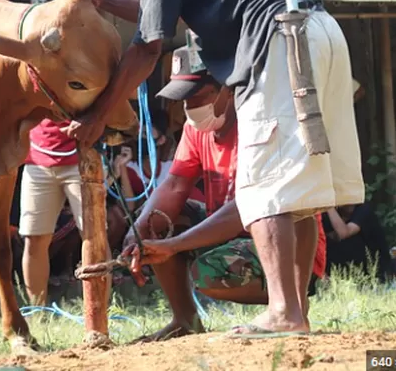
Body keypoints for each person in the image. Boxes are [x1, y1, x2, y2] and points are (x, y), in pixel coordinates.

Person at [64, 0, 363, 336]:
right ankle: (294, 311)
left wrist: (97, 116)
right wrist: (108, 1)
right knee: (299, 194)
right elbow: (170, 10)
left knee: (265, 184)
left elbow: (148, 45)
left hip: (278, 41)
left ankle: (284, 313)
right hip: (320, 31)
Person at [121, 47, 326, 341]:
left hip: (282, 243)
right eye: (185, 99)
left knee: (208, 272)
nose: (190, 107)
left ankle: (290, 306)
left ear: (227, 89)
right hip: (232, 235)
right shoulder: (196, 130)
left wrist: (176, 245)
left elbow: (247, 207)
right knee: (158, 219)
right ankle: (185, 321)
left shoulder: (257, 120)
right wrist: (139, 228)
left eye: (198, 96)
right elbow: (175, 184)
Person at [19, 0, 110, 305]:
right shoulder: (27, 51)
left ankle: (97, 310)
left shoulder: (90, 44)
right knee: (33, 239)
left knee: (93, 237)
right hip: (38, 160)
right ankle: (36, 311)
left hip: (80, 156)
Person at [323, 204, 392, 281]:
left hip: (372, 270)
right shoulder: (331, 214)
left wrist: (329, 207)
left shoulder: (363, 210)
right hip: (342, 272)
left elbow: (344, 233)